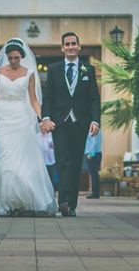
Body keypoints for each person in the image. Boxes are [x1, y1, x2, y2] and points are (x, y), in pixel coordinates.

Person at [0, 38, 57, 216]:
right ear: (7, 57)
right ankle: (5, 203)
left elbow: (33, 100)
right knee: (4, 160)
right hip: (1, 118)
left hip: (21, 117)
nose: (14, 61)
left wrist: (43, 118)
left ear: (22, 57)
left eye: (16, 58)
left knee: (23, 160)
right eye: (10, 58)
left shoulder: (29, 73)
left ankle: (25, 200)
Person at [41, 32, 101, 217]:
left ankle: (72, 205)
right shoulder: (54, 69)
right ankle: (63, 203)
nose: (71, 47)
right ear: (62, 48)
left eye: (74, 43)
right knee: (63, 162)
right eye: (67, 44)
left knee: (75, 164)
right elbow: (48, 97)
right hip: (60, 123)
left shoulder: (88, 70)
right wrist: (46, 118)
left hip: (80, 124)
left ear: (79, 46)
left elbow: (94, 98)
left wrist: (95, 120)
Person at [84, 129, 103, 199]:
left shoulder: (93, 129)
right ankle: (95, 192)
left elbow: (94, 142)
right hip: (96, 153)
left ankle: (95, 193)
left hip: (93, 155)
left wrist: (91, 154)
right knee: (94, 174)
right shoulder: (98, 130)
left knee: (94, 174)